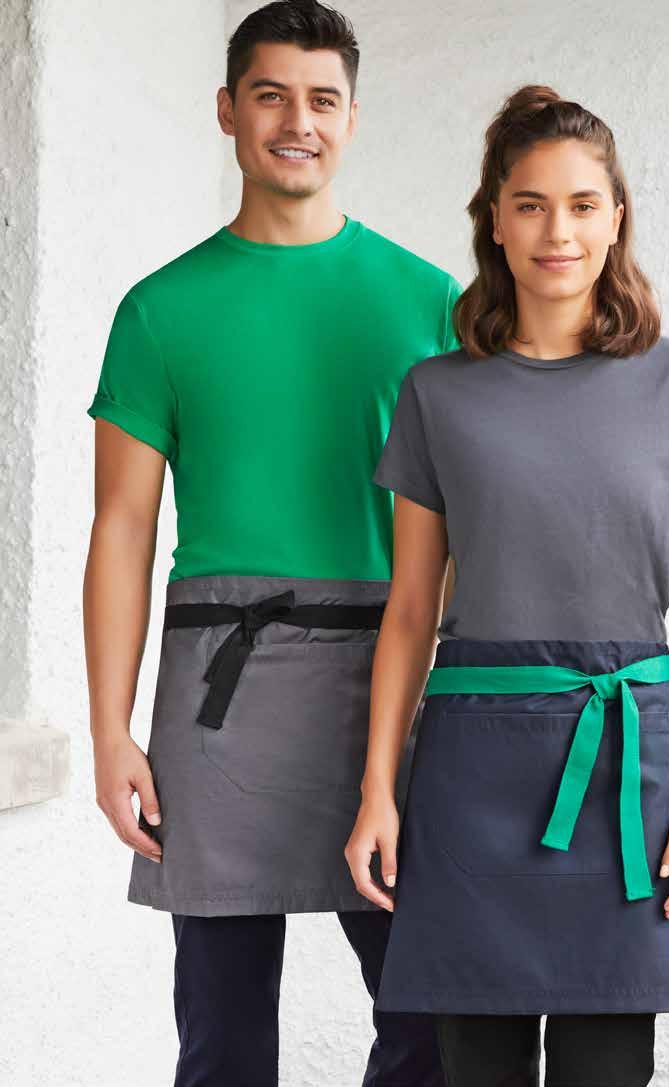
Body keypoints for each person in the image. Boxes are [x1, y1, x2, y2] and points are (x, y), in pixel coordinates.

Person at [82, 3, 461, 1084]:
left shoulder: (431, 301)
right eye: (270, 95)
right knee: (223, 1029)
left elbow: (474, 518)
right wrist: (110, 730)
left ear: (352, 119)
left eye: (322, 99)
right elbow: (122, 529)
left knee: (431, 1014)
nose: (298, 122)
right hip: (222, 685)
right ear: (227, 110)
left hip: (390, 680)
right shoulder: (158, 310)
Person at [345, 85, 669, 1086]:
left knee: (607, 1067)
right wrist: (377, 790)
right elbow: (410, 611)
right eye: (528, 204)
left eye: (579, 204)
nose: (555, 231)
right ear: (494, 219)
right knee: (474, 1065)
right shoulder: (436, 392)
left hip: (628, 764)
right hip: (471, 769)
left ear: (615, 219)